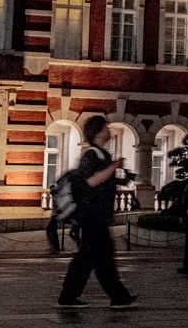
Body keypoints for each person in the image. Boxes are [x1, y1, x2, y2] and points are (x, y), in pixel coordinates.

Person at [58, 116, 139, 309]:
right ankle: (118, 297)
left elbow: (101, 183)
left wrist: (120, 178)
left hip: (97, 217)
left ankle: (71, 297)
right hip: (90, 217)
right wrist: (113, 168)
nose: (108, 130)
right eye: (105, 127)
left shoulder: (102, 155)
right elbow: (90, 181)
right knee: (98, 259)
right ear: (98, 132)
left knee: (91, 259)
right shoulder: (91, 155)